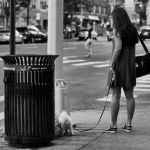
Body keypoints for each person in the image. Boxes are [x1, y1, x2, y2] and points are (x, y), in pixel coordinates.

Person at [105, 7, 139, 133]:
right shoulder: (132, 30)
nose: (111, 19)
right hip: (130, 66)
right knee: (130, 96)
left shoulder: (117, 30)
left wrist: (111, 64)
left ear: (117, 18)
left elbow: (118, 48)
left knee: (115, 96)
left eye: (112, 17)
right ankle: (129, 124)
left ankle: (113, 125)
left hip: (118, 66)